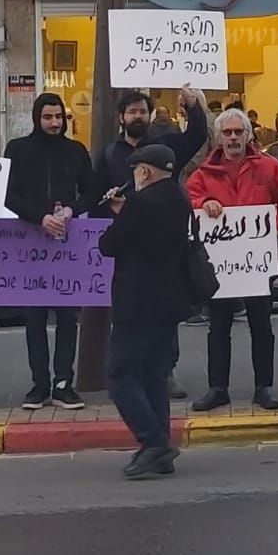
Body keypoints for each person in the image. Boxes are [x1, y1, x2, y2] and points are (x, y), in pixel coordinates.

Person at [95, 86, 210, 398]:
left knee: (164, 316)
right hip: (129, 250)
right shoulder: (108, 153)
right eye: (131, 111)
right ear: (121, 117)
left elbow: (198, 134)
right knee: (129, 314)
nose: (137, 116)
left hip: (162, 249)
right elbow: (94, 195)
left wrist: (191, 104)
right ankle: (133, 374)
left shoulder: (164, 147)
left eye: (142, 111)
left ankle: (165, 372)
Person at [186, 108, 278, 411]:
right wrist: (203, 203)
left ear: (248, 134)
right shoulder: (203, 174)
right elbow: (189, 201)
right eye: (228, 132)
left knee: (261, 325)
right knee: (218, 327)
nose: (234, 137)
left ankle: (264, 387)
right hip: (219, 265)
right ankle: (217, 388)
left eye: (238, 132)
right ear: (219, 137)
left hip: (257, 263)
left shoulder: (269, 167)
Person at [4, 93, 102, 411]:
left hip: (66, 244)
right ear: (37, 118)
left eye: (59, 117)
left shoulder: (76, 151)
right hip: (29, 242)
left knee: (67, 317)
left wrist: (72, 210)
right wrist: (39, 217)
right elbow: (7, 194)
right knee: (33, 318)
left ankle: (63, 383)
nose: (54, 123)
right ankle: (39, 385)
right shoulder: (17, 150)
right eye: (47, 117)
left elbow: (91, 191)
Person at [100, 144, 192, 480]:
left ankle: (154, 442)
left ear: (143, 172)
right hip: (168, 302)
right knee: (155, 376)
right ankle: (161, 449)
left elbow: (109, 245)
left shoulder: (140, 204)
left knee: (121, 377)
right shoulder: (180, 199)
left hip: (136, 303)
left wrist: (119, 212)